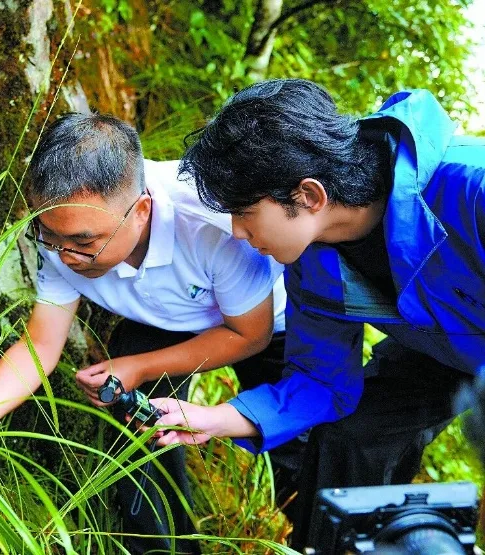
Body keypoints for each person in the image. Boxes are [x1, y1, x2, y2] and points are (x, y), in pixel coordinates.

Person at [0, 112, 294, 554]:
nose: (67, 256)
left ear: (141, 210)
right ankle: (163, 547)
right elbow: (41, 344)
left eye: (83, 241)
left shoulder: (213, 222)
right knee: (139, 422)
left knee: (301, 449)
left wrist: (139, 365)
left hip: (267, 325)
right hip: (168, 321)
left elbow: (249, 335)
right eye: (50, 235)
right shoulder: (61, 234)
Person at [152, 78, 484, 549]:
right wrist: (213, 417)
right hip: (437, 348)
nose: (239, 235)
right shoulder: (313, 261)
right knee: (351, 437)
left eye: (245, 215)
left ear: (308, 195)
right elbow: (322, 381)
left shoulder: (471, 190)